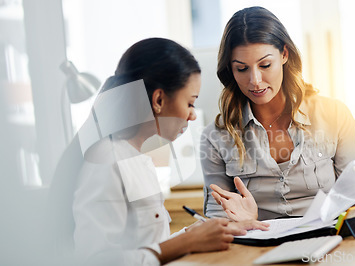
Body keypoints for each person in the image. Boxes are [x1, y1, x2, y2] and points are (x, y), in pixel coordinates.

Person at [69, 38, 268, 265]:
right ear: (159, 100)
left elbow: (150, 244)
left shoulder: (136, 158)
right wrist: (186, 242)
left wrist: (209, 231)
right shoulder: (107, 162)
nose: (193, 115)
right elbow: (96, 260)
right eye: (190, 103)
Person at [201, 6, 355, 221]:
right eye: (242, 69)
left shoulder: (334, 114)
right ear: (230, 69)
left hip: (328, 240)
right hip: (257, 246)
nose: (255, 80)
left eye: (265, 65)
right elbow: (217, 216)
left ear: (284, 54)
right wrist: (244, 222)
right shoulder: (216, 136)